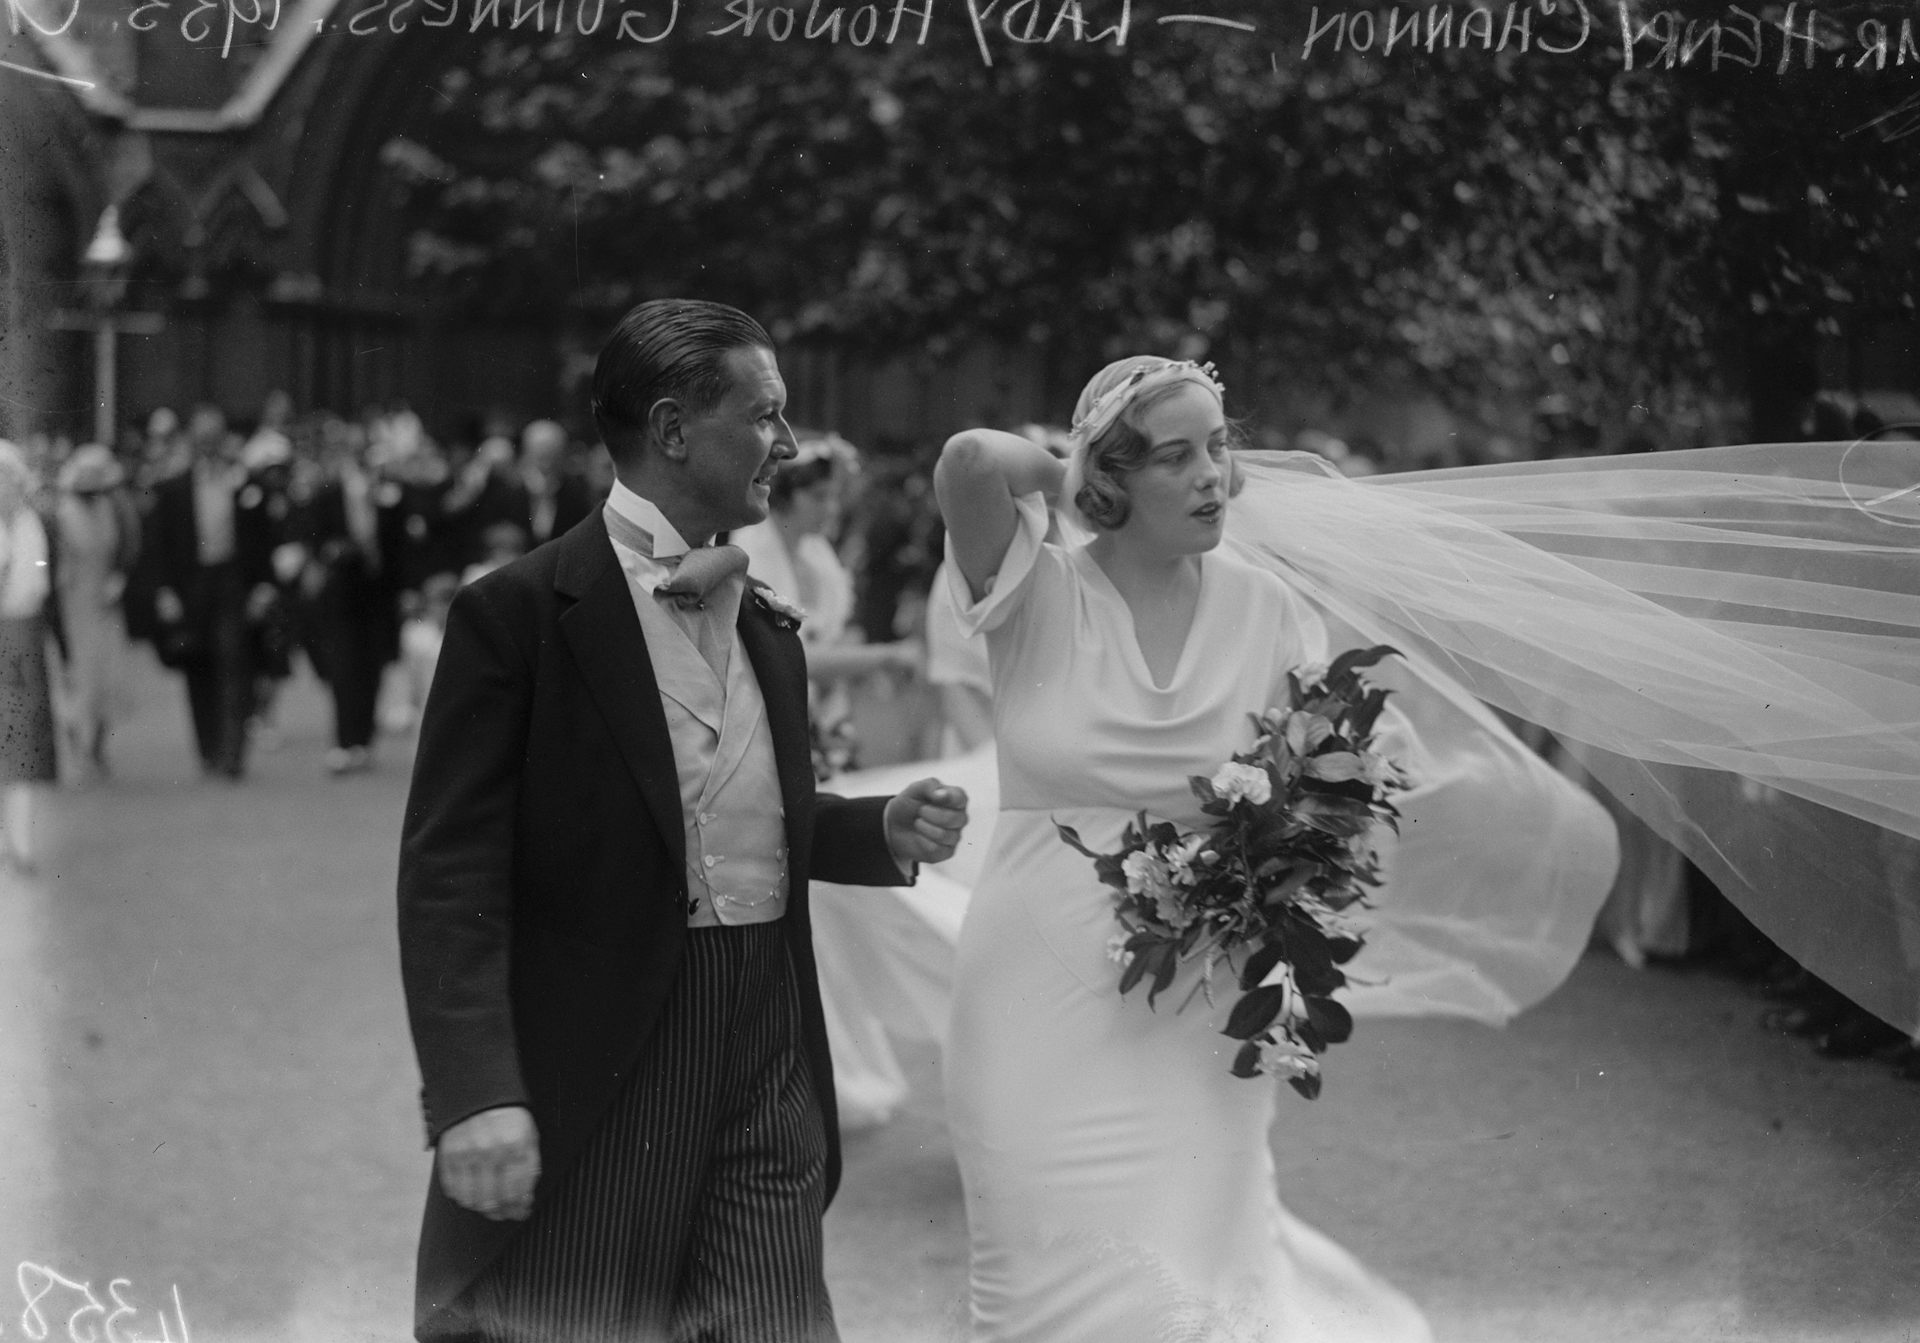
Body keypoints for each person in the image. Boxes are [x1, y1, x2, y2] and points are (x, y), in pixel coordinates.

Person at [397, 298, 969, 1343]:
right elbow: (451, 874)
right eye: (763, 415)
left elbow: (735, 804)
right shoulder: (515, 617)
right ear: (669, 430)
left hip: (768, 1036)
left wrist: (869, 828)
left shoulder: (768, 627)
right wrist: (475, 1087)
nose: (786, 445)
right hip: (615, 1048)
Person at [142, 404, 270, 779]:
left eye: (214, 437)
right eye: (202, 438)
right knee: (199, 667)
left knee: (235, 665)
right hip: (191, 584)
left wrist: (262, 586)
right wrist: (165, 591)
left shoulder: (244, 483)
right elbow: (160, 544)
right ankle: (209, 749)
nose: (209, 445)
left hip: (232, 581)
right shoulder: (174, 487)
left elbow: (261, 538)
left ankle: (232, 753)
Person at [51, 444, 140, 784]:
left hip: (105, 601)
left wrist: (118, 577)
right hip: (75, 603)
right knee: (82, 678)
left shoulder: (108, 508)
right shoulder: (62, 514)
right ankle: (79, 749)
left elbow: (126, 546)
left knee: (110, 678)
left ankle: (98, 748)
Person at [0, 442, 57, 873]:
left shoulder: (29, 525)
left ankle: (20, 841)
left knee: (19, 742)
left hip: (19, 639)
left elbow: (36, 587)